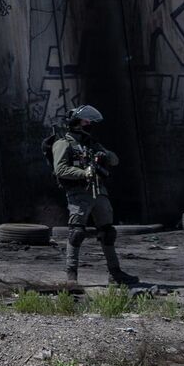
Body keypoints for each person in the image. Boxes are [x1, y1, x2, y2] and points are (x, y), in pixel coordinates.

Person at [47, 105, 141, 288]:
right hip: (79, 193)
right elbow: (60, 169)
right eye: (85, 121)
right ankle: (71, 276)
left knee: (108, 232)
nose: (89, 124)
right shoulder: (63, 144)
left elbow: (115, 160)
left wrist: (104, 155)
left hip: (99, 192)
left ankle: (115, 273)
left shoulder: (92, 143)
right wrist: (84, 173)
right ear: (75, 122)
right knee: (76, 233)